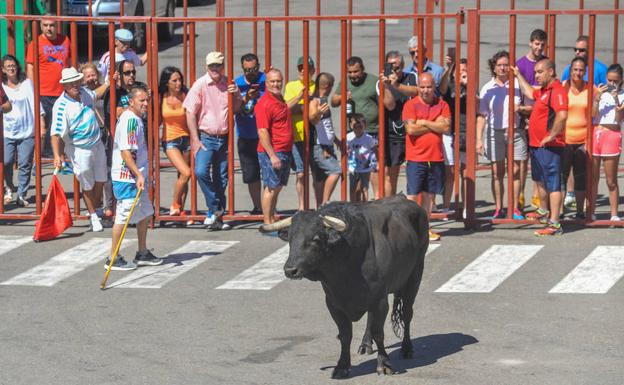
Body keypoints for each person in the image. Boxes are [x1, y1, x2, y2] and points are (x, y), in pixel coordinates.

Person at [184, 51, 241, 230]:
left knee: (221, 178)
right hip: (206, 137)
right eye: (212, 66)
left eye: (218, 65)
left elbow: (237, 109)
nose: (215, 69)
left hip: (224, 137)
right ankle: (215, 207)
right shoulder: (200, 84)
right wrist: (194, 138)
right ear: (206, 67)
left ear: (222, 66)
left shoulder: (229, 84)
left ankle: (217, 216)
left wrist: (236, 95)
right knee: (200, 171)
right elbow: (190, 112)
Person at [107, 86, 162, 270]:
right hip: (127, 177)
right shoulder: (130, 121)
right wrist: (138, 174)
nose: (146, 104)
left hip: (138, 176)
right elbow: (125, 152)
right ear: (131, 102)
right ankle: (113, 257)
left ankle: (142, 252)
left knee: (145, 212)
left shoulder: (136, 118)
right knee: (123, 215)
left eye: (147, 100)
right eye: (142, 101)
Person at [513, 59, 568, 236]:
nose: (536, 75)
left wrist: (552, 135)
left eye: (540, 72)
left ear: (551, 72)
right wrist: (518, 74)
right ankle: (544, 211)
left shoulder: (557, 91)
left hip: (550, 147)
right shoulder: (544, 91)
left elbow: (562, 115)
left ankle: (554, 223)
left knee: (553, 184)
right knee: (540, 180)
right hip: (537, 145)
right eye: (535, 72)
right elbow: (529, 92)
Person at [51, 67, 107, 232]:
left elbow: (96, 94)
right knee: (87, 183)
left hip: (97, 144)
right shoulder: (61, 106)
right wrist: (56, 155)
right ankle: (93, 214)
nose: (75, 84)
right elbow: (55, 134)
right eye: (70, 83)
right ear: (65, 86)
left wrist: (109, 83)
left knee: (101, 179)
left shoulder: (84, 92)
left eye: (76, 81)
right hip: (79, 149)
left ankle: (95, 210)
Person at [476, 51, 525, 220]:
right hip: (494, 133)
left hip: (515, 131)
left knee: (516, 170)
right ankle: (498, 208)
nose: (503, 68)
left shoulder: (517, 85)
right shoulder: (487, 88)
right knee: (497, 172)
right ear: (494, 67)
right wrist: (478, 140)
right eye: (499, 65)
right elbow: (482, 116)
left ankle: (514, 207)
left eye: (505, 64)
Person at [402, 73, 451, 241]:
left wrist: (423, 122)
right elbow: (411, 130)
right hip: (416, 157)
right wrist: (434, 124)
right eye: (422, 87)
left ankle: (425, 228)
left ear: (434, 87)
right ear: (418, 87)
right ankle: (409, 230)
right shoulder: (411, 105)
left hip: (435, 157)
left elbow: (445, 128)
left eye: (429, 87)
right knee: (413, 195)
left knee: (430, 196)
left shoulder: (442, 104)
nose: (425, 90)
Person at [331, 56, 380, 198]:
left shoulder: (373, 81)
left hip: (372, 131)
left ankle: (377, 198)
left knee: (373, 168)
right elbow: (333, 101)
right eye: (350, 72)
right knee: (355, 170)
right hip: (352, 133)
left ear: (362, 69)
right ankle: (356, 202)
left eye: (356, 71)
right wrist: (342, 97)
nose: (352, 75)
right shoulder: (345, 83)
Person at [25, 16, 71, 157]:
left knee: (59, 126)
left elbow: (69, 62)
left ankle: (58, 157)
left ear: (57, 26)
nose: (48, 28)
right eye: (45, 25)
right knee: (42, 128)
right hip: (43, 92)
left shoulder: (65, 40)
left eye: (51, 25)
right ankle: (38, 161)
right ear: (41, 26)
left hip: (62, 91)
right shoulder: (36, 43)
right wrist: (32, 90)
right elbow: (30, 67)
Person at [255, 68, 293, 225]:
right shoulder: (264, 104)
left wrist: (299, 96)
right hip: (273, 151)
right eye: (272, 81)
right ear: (266, 83)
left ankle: (271, 217)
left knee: (277, 187)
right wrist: (272, 155)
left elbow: (285, 109)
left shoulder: (279, 99)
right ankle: (267, 222)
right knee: (271, 188)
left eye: (278, 81)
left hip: (284, 149)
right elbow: (262, 132)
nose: (276, 84)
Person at [516, 28, 548, 212]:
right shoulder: (520, 64)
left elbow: (546, 88)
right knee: (522, 160)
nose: (539, 47)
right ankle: (519, 195)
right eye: (537, 44)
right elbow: (520, 89)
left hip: (540, 115)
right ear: (530, 43)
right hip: (523, 115)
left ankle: (537, 196)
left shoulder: (546, 62)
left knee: (538, 159)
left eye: (542, 44)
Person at [378, 51, 418, 197]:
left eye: (398, 67)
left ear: (403, 66)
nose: (395, 70)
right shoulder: (380, 83)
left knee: (415, 172)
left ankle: (413, 205)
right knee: (391, 173)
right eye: (391, 67)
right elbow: (390, 105)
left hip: (412, 132)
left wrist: (397, 85)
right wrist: (388, 86)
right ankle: (390, 205)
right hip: (392, 134)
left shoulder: (411, 77)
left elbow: (416, 92)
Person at [591, 64, 624, 221]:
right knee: (593, 177)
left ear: (621, 81)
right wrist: (597, 98)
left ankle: (614, 214)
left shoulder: (622, 95)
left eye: (615, 81)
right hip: (597, 132)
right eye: (609, 80)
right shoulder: (600, 93)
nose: (611, 84)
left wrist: (616, 97)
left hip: (612, 134)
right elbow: (591, 115)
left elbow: (618, 120)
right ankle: (591, 211)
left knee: (611, 180)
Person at [80, 62, 113, 218]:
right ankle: (95, 206)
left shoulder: (107, 90)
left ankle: (107, 206)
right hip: (88, 137)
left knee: (104, 173)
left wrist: (108, 84)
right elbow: (93, 97)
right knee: (90, 174)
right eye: (87, 76)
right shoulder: (81, 93)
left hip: (104, 134)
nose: (91, 79)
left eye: (93, 75)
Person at [159, 66, 192, 222]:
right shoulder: (162, 97)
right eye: (174, 80)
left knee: (183, 177)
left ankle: (181, 210)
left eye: (180, 80)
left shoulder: (186, 95)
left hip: (187, 139)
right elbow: (156, 119)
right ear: (167, 83)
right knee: (186, 172)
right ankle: (175, 204)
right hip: (170, 140)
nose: (178, 83)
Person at [234, 53, 265, 214]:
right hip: (246, 136)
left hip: (265, 135)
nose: (251, 72)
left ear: (258, 66)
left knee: (268, 171)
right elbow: (234, 109)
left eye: (253, 69)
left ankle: (268, 206)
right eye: (247, 70)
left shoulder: (266, 80)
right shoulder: (237, 84)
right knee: (251, 174)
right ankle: (258, 207)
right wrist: (246, 98)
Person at [561, 57, 592, 219]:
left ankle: (580, 212)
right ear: (570, 70)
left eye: (581, 70)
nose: (578, 73)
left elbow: (596, 113)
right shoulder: (562, 87)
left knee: (580, 177)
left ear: (585, 72)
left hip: (583, 141)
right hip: (564, 140)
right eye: (575, 69)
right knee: (562, 175)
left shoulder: (591, 89)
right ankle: (559, 210)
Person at [284, 56, 316, 210]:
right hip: (296, 135)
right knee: (301, 173)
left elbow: (318, 111)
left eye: (308, 68)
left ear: (313, 70)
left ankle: (318, 205)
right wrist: (303, 102)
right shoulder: (291, 86)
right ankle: (302, 206)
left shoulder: (316, 86)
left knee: (317, 172)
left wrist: (302, 108)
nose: (303, 71)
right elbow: (286, 108)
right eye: (300, 68)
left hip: (314, 136)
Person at [440, 55, 469, 213]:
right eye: (460, 70)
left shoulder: (471, 85)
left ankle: (465, 207)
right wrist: (448, 69)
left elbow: (477, 102)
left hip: (465, 132)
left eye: (465, 70)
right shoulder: (449, 84)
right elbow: (441, 88)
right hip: (449, 132)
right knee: (450, 172)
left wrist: (468, 84)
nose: (463, 73)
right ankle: (446, 207)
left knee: (466, 171)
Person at [309, 72, 342, 206]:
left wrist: (336, 140)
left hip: (327, 143)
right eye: (332, 86)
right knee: (335, 171)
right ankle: (324, 203)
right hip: (320, 146)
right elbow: (312, 118)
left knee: (320, 178)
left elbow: (327, 125)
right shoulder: (315, 101)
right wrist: (318, 112)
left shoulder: (323, 100)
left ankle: (319, 208)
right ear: (327, 86)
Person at [347, 113, 377, 203]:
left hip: (365, 168)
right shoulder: (349, 137)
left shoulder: (368, 138)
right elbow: (345, 149)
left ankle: (364, 205)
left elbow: (374, 149)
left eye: (360, 127)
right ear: (352, 126)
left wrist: (375, 163)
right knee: (353, 188)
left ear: (364, 127)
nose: (358, 130)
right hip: (353, 168)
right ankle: (353, 204)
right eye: (355, 127)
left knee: (364, 188)